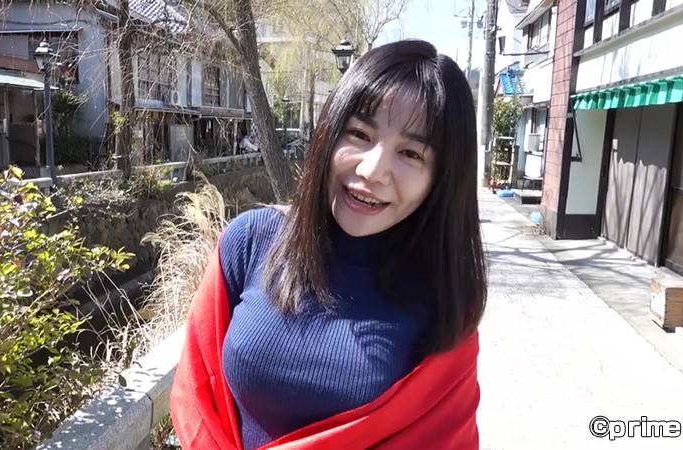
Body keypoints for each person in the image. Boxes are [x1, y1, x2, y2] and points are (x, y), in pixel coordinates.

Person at [169, 39, 487, 449]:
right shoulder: (250, 242)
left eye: (410, 154)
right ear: (329, 133)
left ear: (441, 178)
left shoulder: (444, 302)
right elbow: (198, 387)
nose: (372, 171)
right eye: (359, 133)